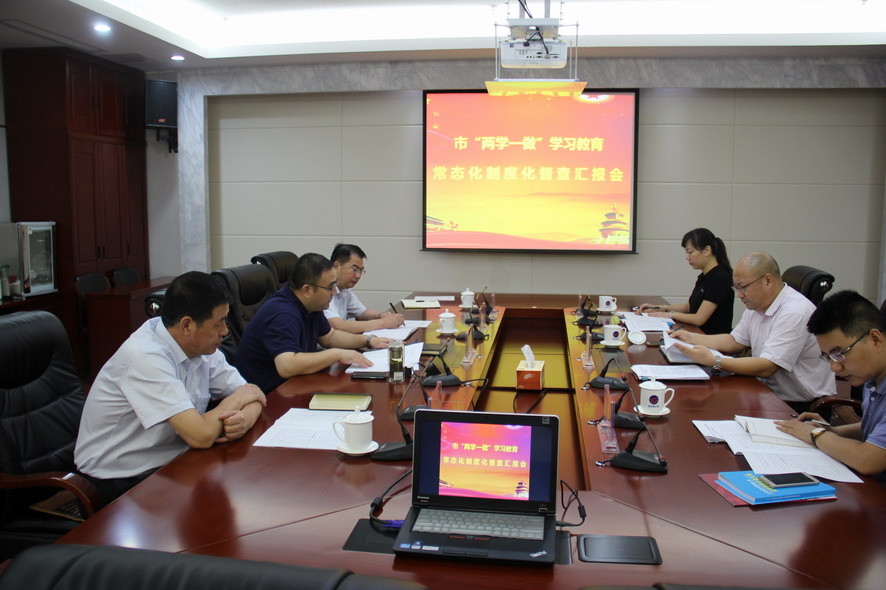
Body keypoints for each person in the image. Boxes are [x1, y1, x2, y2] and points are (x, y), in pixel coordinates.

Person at [75, 271, 267, 503]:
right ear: (187, 325)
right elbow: (201, 435)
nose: (225, 331)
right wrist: (236, 401)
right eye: (219, 323)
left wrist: (245, 418)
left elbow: (254, 395)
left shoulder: (200, 345)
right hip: (118, 481)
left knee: (245, 489)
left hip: (174, 462)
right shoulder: (145, 357)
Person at [671, 251, 835, 412]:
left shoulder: (795, 311)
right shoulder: (758, 304)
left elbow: (767, 367)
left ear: (768, 281)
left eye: (743, 287)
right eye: (736, 288)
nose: (740, 295)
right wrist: (691, 337)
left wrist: (715, 361)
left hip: (799, 405)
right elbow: (735, 341)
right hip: (766, 391)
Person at [236, 252, 390, 392]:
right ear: (307, 290)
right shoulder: (283, 314)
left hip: (294, 385)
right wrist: (335, 354)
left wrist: (368, 340)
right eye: (330, 287)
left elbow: (329, 337)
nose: (335, 292)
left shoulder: (311, 304)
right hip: (269, 395)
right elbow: (286, 366)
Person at [776, 290, 886, 483]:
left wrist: (816, 434)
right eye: (827, 357)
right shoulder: (873, 377)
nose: (835, 367)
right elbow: (875, 429)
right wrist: (833, 432)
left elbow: (868, 460)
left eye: (839, 354)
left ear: (875, 339)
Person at [638, 228, 734, 334]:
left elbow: (699, 319)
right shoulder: (704, 277)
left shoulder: (720, 279)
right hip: (697, 334)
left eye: (690, 252)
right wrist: (660, 308)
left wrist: (669, 315)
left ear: (707, 251)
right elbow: (689, 306)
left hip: (711, 338)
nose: (687, 257)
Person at [324, 243, 403, 334]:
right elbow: (339, 326)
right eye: (354, 269)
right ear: (336, 266)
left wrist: (382, 315)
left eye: (361, 270)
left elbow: (362, 313)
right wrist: (384, 323)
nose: (358, 275)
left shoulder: (345, 289)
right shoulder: (324, 290)